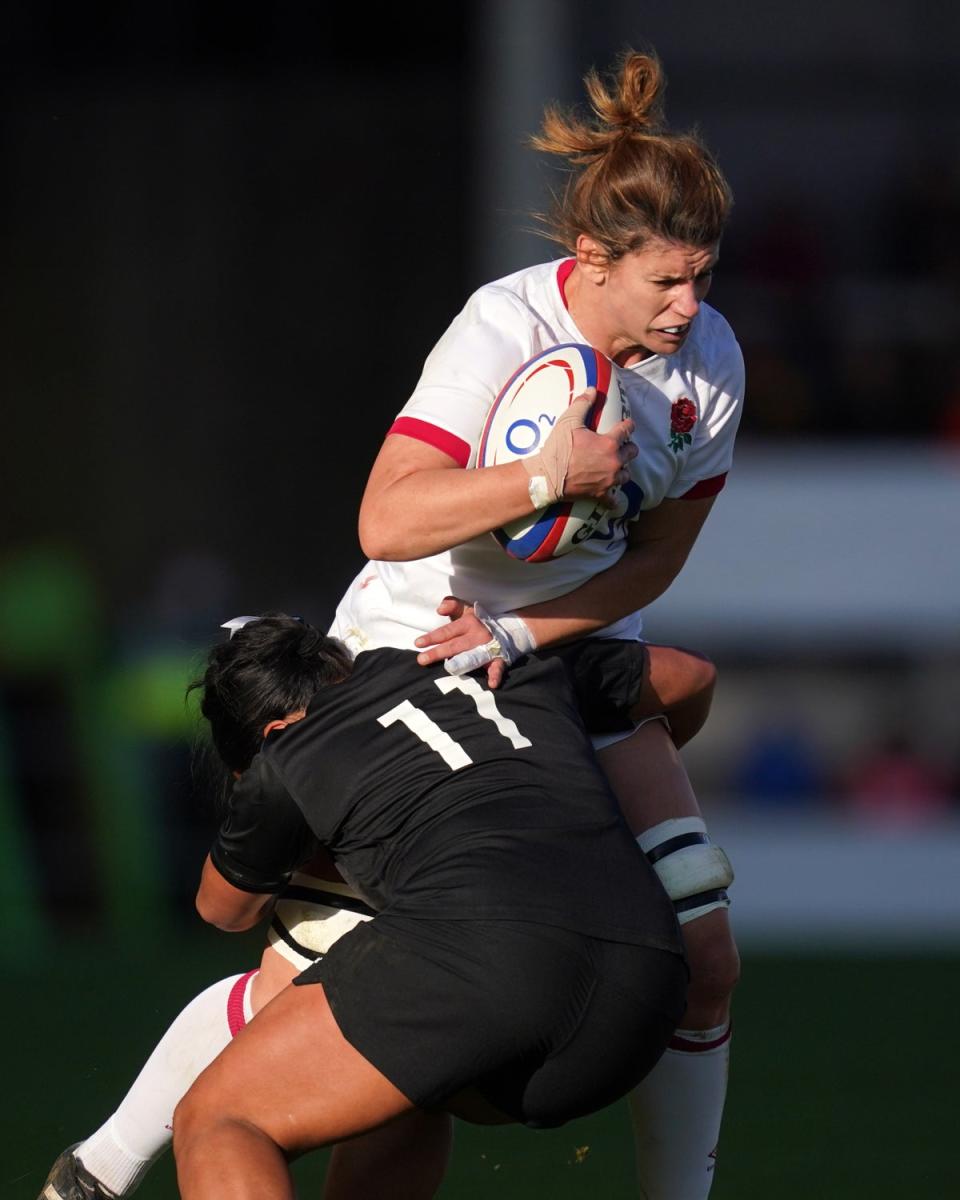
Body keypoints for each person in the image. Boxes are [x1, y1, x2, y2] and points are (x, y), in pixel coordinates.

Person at [330, 46, 743, 1199]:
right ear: (591, 262)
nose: (690, 306)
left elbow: (654, 561)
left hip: (549, 657)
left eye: (703, 276)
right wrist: (544, 480)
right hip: (414, 659)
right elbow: (384, 520)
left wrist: (524, 638)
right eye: (666, 281)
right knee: (413, 1013)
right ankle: (114, 1158)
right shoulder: (497, 328)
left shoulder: (709, 364)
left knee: (703, 950)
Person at [161, 614, 687, 1197]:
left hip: (488, 960)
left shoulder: (288, 749)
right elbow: (691, 677)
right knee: (399, 1090)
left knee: (220, 1119)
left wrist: (272, 808)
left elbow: (223, 909)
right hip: (647, 986)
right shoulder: (489, 660)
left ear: (272, 729)